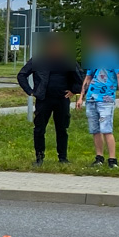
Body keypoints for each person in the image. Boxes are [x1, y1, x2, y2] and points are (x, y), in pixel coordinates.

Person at [17, 34, 83, 166]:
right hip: (43, 99)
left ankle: (63, 158)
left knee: (62, 129)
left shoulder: (67, 60)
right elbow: (22, 75)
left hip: (62, 99)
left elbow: (80, 77)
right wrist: (30, 91)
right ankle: (39, 158)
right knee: (39, 128)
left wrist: (74, 90)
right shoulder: (39, 60)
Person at [76, 53, 119, 169]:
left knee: (106, 129)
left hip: (106, 99)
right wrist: (81, 97)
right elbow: (88, 77)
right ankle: (99, 157)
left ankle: (112, 159)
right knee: (95, 130)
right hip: (91, 98)